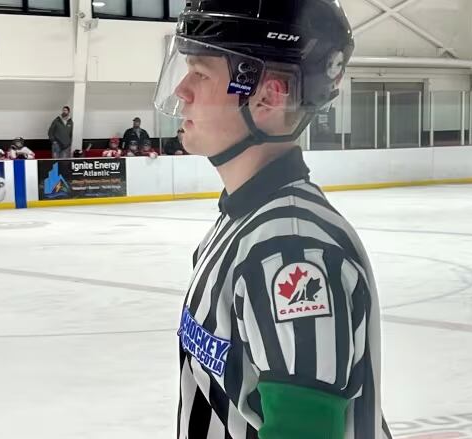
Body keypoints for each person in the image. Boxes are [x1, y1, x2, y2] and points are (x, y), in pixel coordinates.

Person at [154, 2, 392, 439]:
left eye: (201, 73)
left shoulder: (290, 248)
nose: (182, 90)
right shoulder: (245, 221)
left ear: (269, 96)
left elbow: (305, 430)